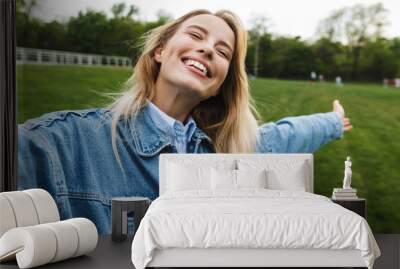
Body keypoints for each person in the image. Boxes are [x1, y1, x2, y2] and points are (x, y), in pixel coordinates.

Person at [18, 9, 353, 234]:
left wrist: (333, 122)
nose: (208, 49)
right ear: (160, 51)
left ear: (220, 84)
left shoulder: (225, 151)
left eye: (223, 52)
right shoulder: (62, 142)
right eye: (196, 35)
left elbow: (283, 137)